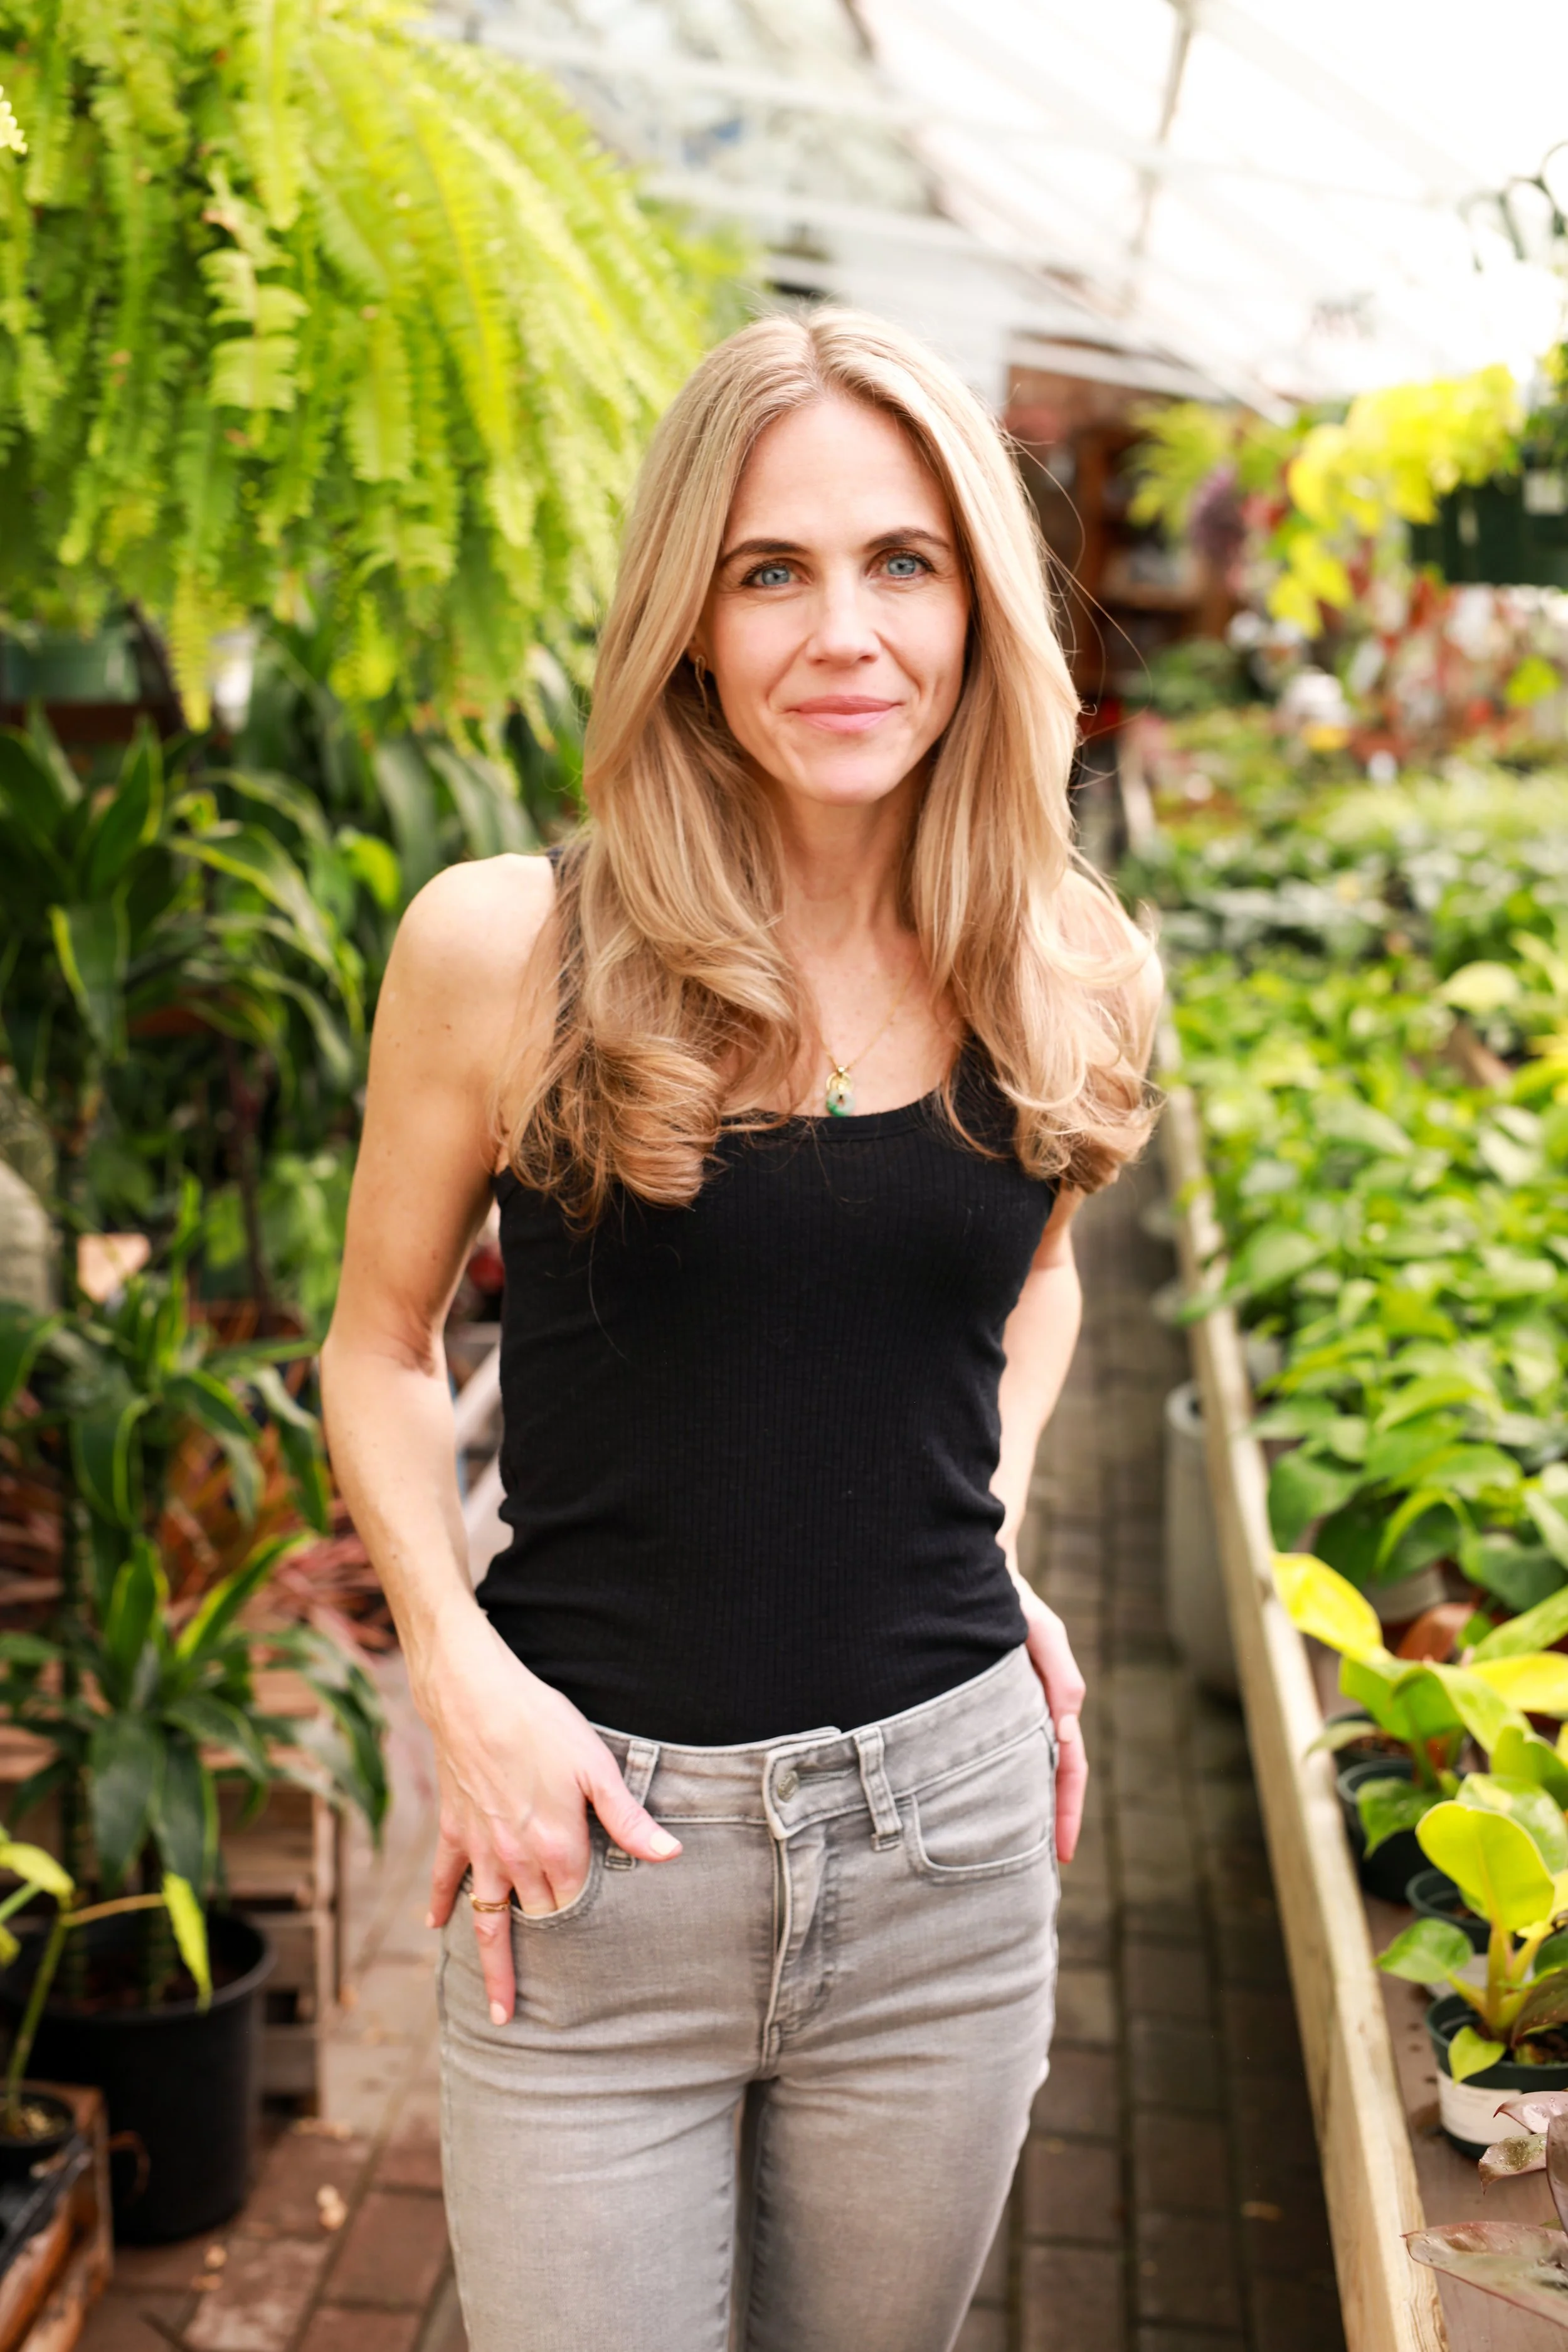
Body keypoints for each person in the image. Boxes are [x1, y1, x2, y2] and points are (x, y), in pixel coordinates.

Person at [320, 306, 1160, 2352]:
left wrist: (994, 1521)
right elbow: (375, 1343)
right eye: (768, 570)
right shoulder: (511, 945)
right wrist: (461, 1678)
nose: (841, 632)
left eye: (902, 562)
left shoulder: (1064, 961)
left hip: (950, 1852)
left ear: (978, 603)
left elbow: (1027, 1286)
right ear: (685, 619)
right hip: (596, 1861)